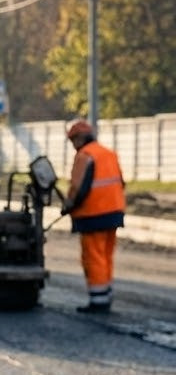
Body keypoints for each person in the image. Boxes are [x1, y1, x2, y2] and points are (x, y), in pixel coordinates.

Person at [62, 118, 126, 313]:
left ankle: (98, 301)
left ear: (80, 139)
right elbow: (121, 183)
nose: (73, 146)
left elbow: (78, 189)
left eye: (73, 141)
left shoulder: (85, 156)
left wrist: (69, 206)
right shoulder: (109, 153)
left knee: (93, 257)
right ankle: (105, 296)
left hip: (93, 215)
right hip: (114, 212)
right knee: (106, 256)